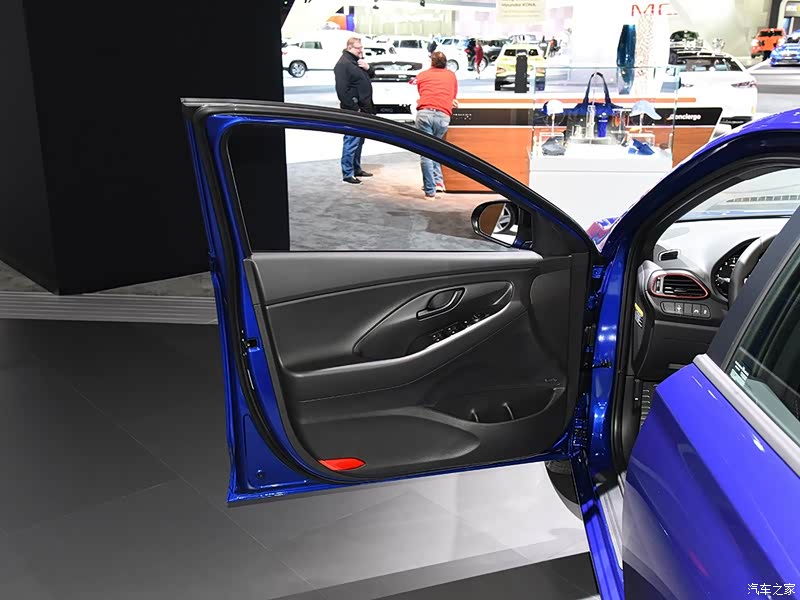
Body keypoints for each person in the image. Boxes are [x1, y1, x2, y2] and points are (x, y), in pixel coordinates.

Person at [415, 51, 458, 200]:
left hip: (425, 114)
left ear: (431, 62)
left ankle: (430, 190)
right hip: (443, 115)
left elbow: (421, 92)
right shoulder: (451, 76)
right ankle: (438, 182)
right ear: (446, 62)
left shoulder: (422, 75)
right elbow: (453, 95)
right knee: (436, 148)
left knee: (426, 152)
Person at [333, 37, 375, 185]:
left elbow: (371, 75)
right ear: (349, 48)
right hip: (354, 111)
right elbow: (342, 91)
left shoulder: (357, 62)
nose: (361, 50)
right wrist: (354, 107)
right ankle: (348, 173)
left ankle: (356, 168)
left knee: (359, 141)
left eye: (361, 47)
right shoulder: (343, 64)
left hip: (363, 109)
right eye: (358, 48)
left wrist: (368, 68)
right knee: (351, 141)